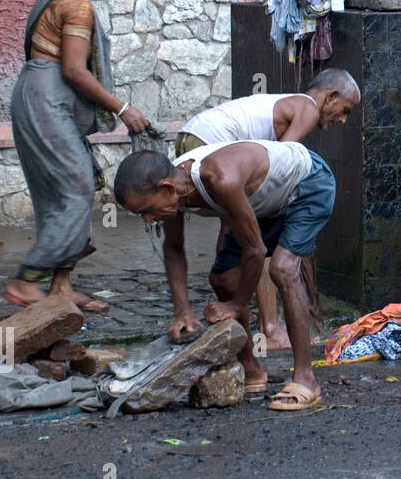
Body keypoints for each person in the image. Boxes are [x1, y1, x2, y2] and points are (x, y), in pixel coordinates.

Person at [113, 140, 336, 411]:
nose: (148, 220)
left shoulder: (220, 179)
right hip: (267, 204)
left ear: (167, 188)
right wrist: (183, 312)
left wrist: (237, 305)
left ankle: (306, 379)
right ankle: (253, 369)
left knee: (282, 268)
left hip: (308, 184)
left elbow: (255, 251)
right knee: (222, 278)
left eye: (146, 211)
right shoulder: (176, 189)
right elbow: (173, 249)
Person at [4, 0, 152, 312]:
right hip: (46, 99)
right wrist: (123, 109)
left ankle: (61, 287)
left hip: (40, 96)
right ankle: (28, 280)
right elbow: (74, 70)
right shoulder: (77, 4)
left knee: (60, 194)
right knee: (76, 189)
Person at [174, 69, 360, 347]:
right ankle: (269, 328)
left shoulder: (289, 103)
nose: (343, 119)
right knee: (253, 230)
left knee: (239, 228)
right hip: (211, 142)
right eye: (345, 110)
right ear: (330, 96)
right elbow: (281, 162)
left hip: (191, 139)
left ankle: (235, 311)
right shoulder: (307, 108)